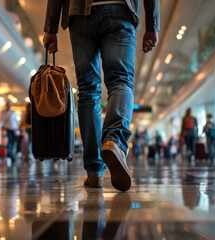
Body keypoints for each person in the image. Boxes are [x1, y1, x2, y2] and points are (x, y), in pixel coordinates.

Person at [43, 0, 160, 191]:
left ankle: (94, 172)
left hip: (79, 13)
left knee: (88, 90)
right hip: (120, 9)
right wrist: (152, 24)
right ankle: (114, 140)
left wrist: (51, 27)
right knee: (120, 81)